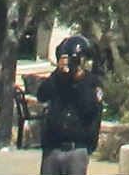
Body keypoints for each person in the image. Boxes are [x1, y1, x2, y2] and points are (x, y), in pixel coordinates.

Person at [40, 38, 108, 175]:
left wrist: (79, 81)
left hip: (76, 149)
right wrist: (57, 73)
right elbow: (41, 95)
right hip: (53, 147)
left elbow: (89, 109)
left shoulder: (92, 82)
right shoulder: (57, 80)